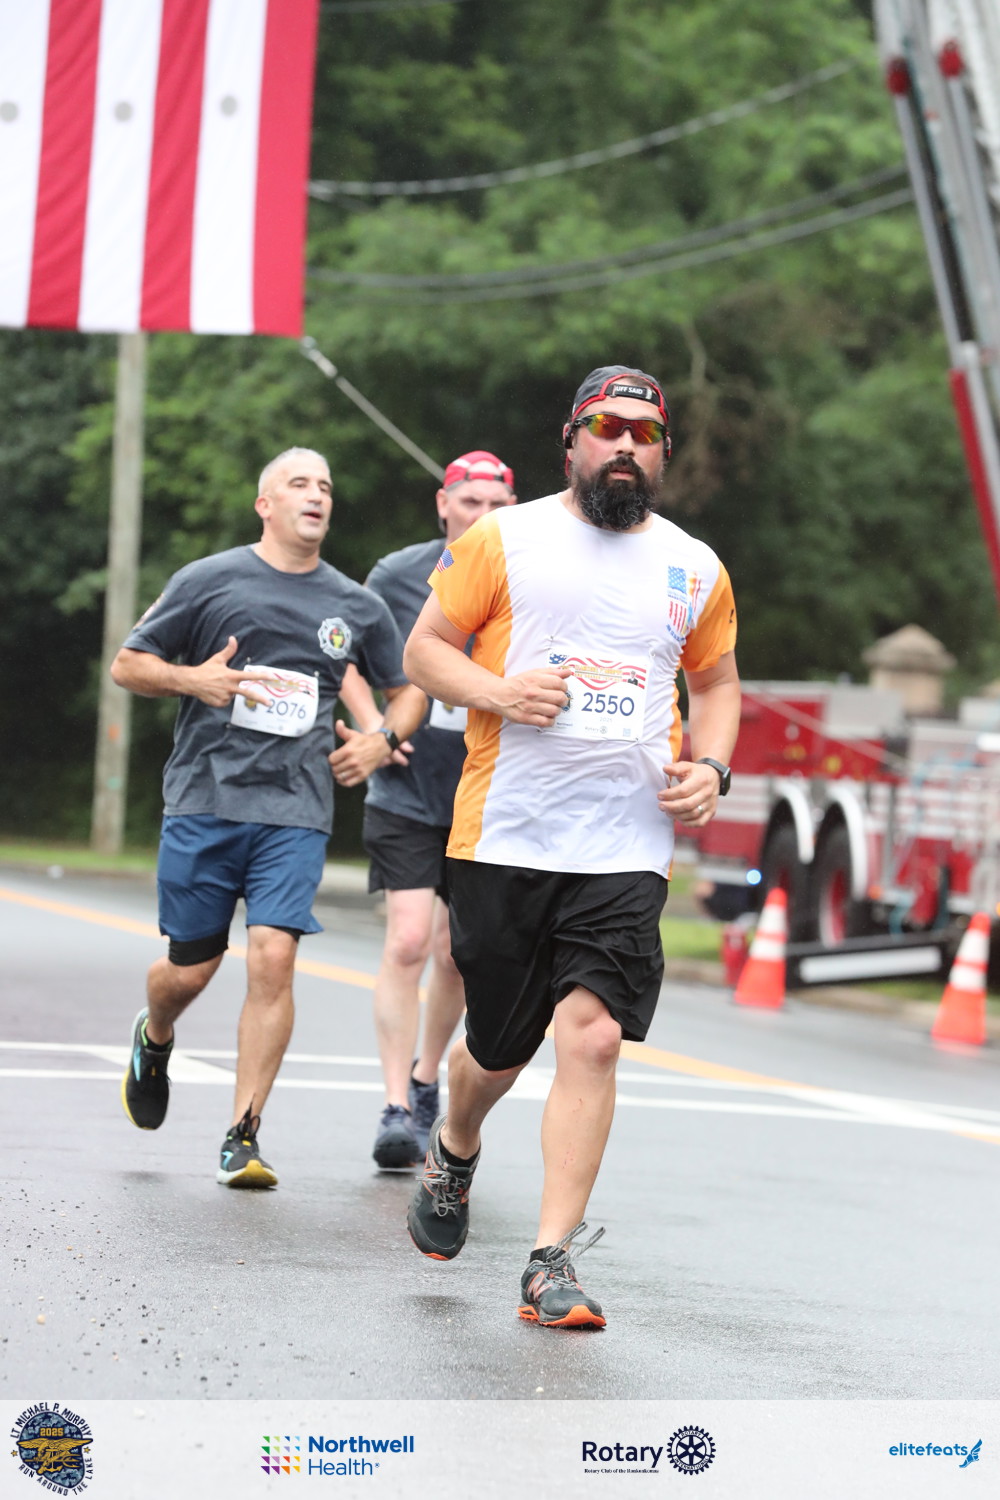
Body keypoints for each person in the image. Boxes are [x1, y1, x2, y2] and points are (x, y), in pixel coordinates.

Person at [402, 367, 741, 1327]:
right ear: (572, 440)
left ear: (662, 451)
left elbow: (718, 684)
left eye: (645, 431)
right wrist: (498, 692)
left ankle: (549, 1261)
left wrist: (713, 769)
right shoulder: (501, 539)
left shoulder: (694, 566)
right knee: (496, 1052)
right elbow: (424, 651)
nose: (625, 443)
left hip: (627, 844)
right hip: (506, 832)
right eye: (607, 426)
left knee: (592, 1036)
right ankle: (455, 1145)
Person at [111, 447, 426, 1188]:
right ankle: (156, 1033)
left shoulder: (354, 604)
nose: (316, 495)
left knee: (274, 956)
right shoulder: (208, 580)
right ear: (266, 504)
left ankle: (243, 1135)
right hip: (205, 799)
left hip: (295, 808)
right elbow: (129, 663)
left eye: (326, 486)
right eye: (299, 484)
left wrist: (382, 741)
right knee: (190, 969)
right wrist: (192, 680)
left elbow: (408, 688)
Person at [338, 452, 518, 1169]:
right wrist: (378, 729)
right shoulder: (397, 574)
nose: (483, 515)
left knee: (453, 954)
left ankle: (424, 1081)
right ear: (444, 505)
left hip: (486, 790)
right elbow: (343, 653)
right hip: (408, 791)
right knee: (409, 940)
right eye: (471, 502)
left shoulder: (530, 575)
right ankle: (393, 1106)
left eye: (498, 505)